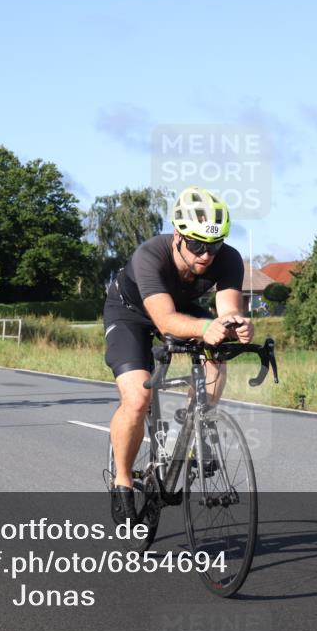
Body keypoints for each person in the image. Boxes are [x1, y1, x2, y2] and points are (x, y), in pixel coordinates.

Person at [103, 186, 254, 525]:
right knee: (138, 397)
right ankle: (123, 479)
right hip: (131, 313)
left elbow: (227, 309)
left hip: (181, 307)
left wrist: (238, 325)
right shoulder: (149, 256)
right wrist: (204, 329)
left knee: (218, 352)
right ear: (177, 235)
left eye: (213, 245)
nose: (206, 255)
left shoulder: (227, 259)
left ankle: (185, 430)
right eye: (197, 245)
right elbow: (165, 321)